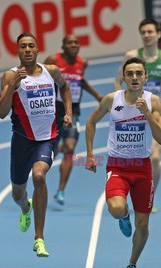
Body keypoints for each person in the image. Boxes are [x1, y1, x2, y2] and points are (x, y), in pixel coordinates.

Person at [85, 57, 161, 268]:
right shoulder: (112, 100)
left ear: (145, 78)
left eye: (139, 73)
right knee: (116, 208)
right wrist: (90, 154)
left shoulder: (154, 102)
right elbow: (90, 122)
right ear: (123, 77)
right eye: (129, 73)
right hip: (118, 166)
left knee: (143, 226)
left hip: (142, 169)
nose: (134, 77)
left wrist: (147, 114)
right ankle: (125, 215)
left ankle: (132, 264)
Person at [0, 32, 72, 257]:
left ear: (37, 50)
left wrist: (67, 112)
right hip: (21, 141)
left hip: (47, 138)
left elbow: (65, 88)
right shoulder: (10, 76)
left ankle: (39, 238)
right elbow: (0, 113)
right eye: (23, 47)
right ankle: (25, 209)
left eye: (31, 46)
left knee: (39, 176)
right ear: (17, 52)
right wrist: (13, 87)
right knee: (17, 194)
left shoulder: (52, 71)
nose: (27, 49)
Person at [113, 18, 161, 213]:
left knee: (154, 158)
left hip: (157, 113)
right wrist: (120, 105)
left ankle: (150, 195)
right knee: (134, 155)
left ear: (158, 34)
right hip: (133, 113)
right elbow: (117, 82)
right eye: (143, 32)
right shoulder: (131, 56)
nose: (147, 36)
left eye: (150, 32)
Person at [43, 35, 103, 206]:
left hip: (72, 110)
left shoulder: (82, 63)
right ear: (63, 46)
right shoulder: (53, 60)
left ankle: (61, 190)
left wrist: (96, 94)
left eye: (76, 43)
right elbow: (41, 77)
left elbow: (80, 81)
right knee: (50, 148)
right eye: (69, 43)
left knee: (70, 148)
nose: (73, 45)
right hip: (53, 110)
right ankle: (56, 147)